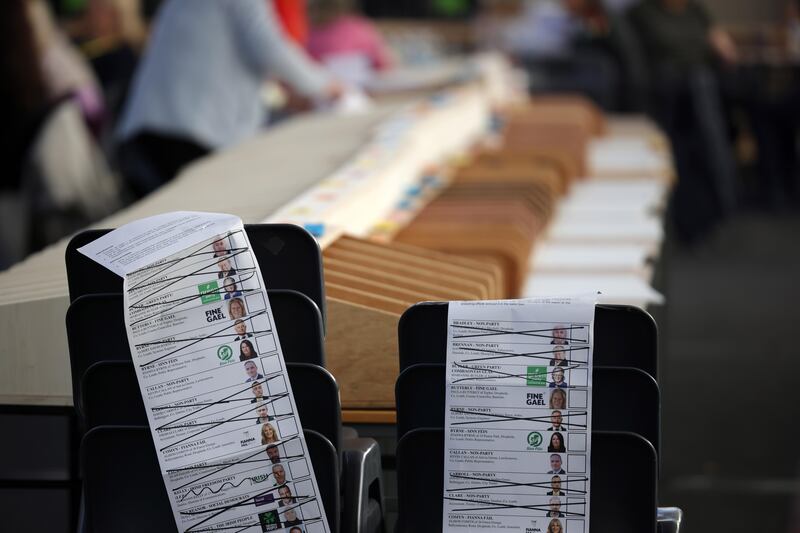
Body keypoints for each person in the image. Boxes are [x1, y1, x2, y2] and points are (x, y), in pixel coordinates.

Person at [115, 0, 341, 198]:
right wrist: (327, 86)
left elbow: (223, 58)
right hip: (191, 130)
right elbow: (270, 48)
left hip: (162, 125)